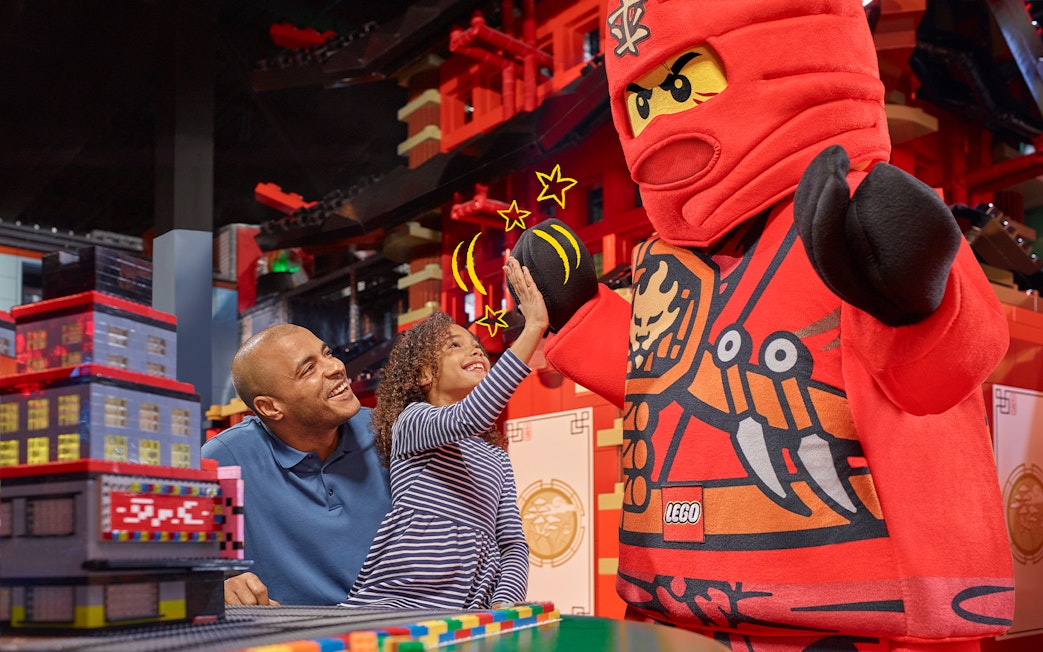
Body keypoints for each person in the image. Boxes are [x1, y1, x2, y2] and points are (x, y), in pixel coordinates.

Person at [510, 0, 1014, 649]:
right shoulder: (665, 262)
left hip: (850, 611)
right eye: (640, 103)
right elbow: (666, 381)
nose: (660, 120)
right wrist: (581, 315)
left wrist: (915, 296)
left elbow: (940, 371)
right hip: (683, 603)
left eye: (683, 85)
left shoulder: (850, 213)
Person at [343, 258, 547, 610]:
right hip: (395, 605)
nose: (475, 349)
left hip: (465, 611)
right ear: (423, 374)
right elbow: (471, 415)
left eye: (477, 346)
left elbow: (513, 544)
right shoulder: (414, 421)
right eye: (455, 345)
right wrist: (533, 328)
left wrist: (503, 604)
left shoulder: (496, 457)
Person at [202, 323, 391, 606]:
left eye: (327, 353)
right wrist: (218, 584)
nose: (336, 367)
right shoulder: (225, 461)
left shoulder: (389, 433)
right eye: (308, 369)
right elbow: (182, 567)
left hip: (400, 624)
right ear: (270, 407)